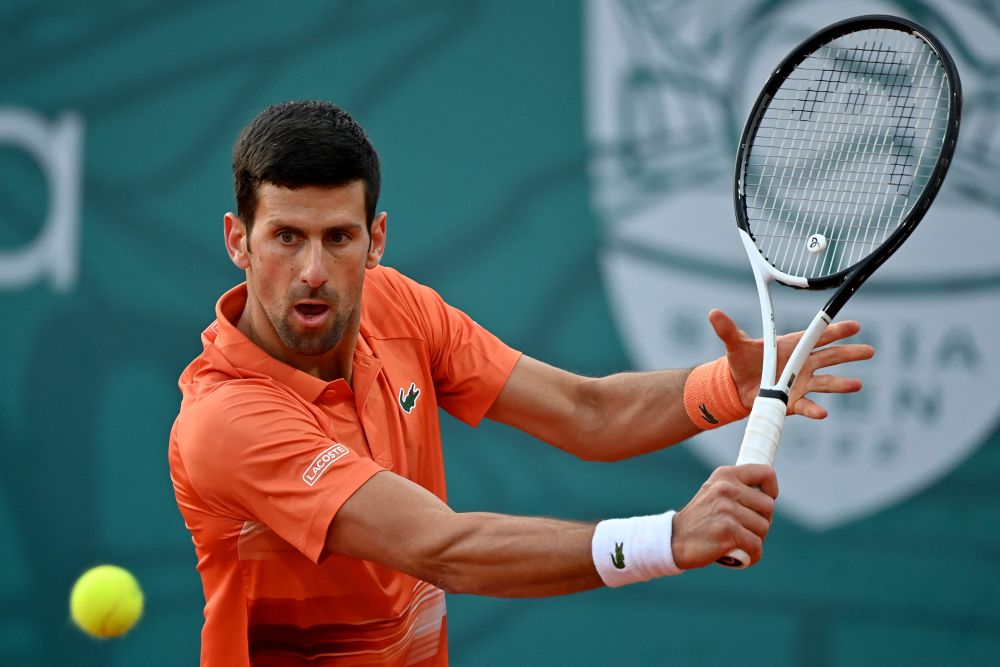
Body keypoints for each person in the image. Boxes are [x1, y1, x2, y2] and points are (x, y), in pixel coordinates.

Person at [168, 100, 874, 666]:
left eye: (339, 238)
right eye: (286, 236)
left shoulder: (399, 309)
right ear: (239, 240)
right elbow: (441, 547)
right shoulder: (226, 421)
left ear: (376, 239)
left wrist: (725, 384)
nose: (314, 269)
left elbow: (584, 411)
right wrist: (668, 537)